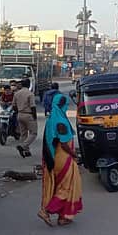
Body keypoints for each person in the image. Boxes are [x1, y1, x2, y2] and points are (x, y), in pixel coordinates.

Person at [38, 93, 83, 227]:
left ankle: (63, 217)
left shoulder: (52, 118)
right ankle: (46, 211)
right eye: (66, 105)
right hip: (64, 158)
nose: (66, 107)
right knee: (66, 188)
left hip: (58, 157)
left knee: (63, 186)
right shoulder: (60, 122)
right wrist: (74, 154)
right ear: (61, 105)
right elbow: (64, 143)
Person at [13, 78, 38, 158]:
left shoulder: (17, 93)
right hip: (28, 114)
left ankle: (26, 151)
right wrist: (34, 116)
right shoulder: (30, 94)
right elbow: (33, 107)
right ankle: (23, 146)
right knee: (33, 133)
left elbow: (14, 106)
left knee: (23, 134)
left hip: (20, 114)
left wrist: (19, 112)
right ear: (29, 85)